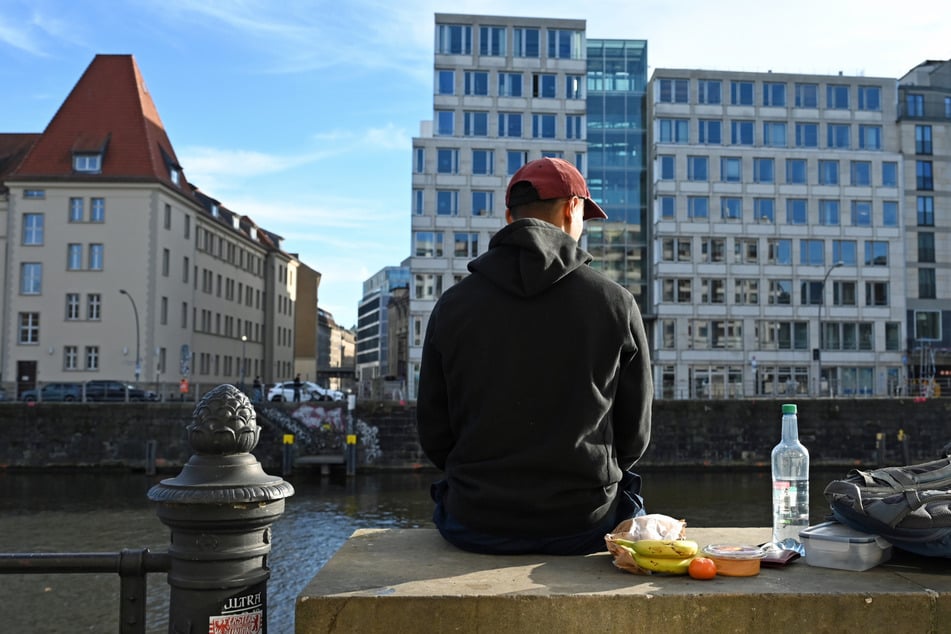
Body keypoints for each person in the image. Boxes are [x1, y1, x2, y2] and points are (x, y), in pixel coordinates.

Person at [417, 157, 653, 556]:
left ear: (510, 216)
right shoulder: (615, 302)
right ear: (572, 208)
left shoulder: (452, 306)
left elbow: (434, 431)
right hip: (583, 523)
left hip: (475, 522)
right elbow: (635, 436)